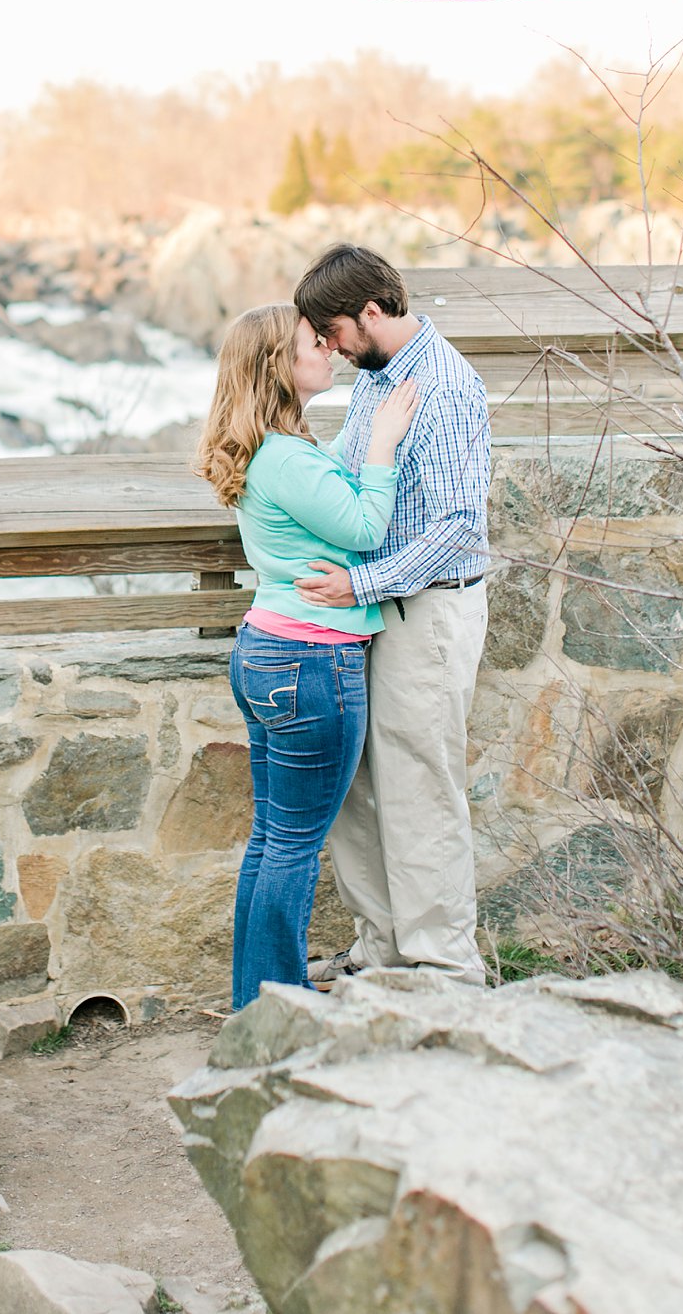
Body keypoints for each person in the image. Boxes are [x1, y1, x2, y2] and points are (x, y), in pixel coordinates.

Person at [195, 303, 419, 1010]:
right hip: (311, 664)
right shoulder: (284, 457)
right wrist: (381, 443)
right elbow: (362, 525)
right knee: (289, 849)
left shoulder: (271, 447)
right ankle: (274, 1010)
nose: (327, 347)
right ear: (279, 367)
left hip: (272, 653)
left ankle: (253, 1008)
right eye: (311, 342)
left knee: (272, 840)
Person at [289, 243, 492, 989]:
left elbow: (457, 526)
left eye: (335, 331)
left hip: (427, 608)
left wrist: (360, 582)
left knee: (419, 780)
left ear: (370, 313)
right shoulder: (379, 379)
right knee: (357, 781)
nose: (333, 349)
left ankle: (445, 966)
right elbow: (351, 468)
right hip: (376, 605)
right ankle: (380, 947)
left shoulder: (446, 386)